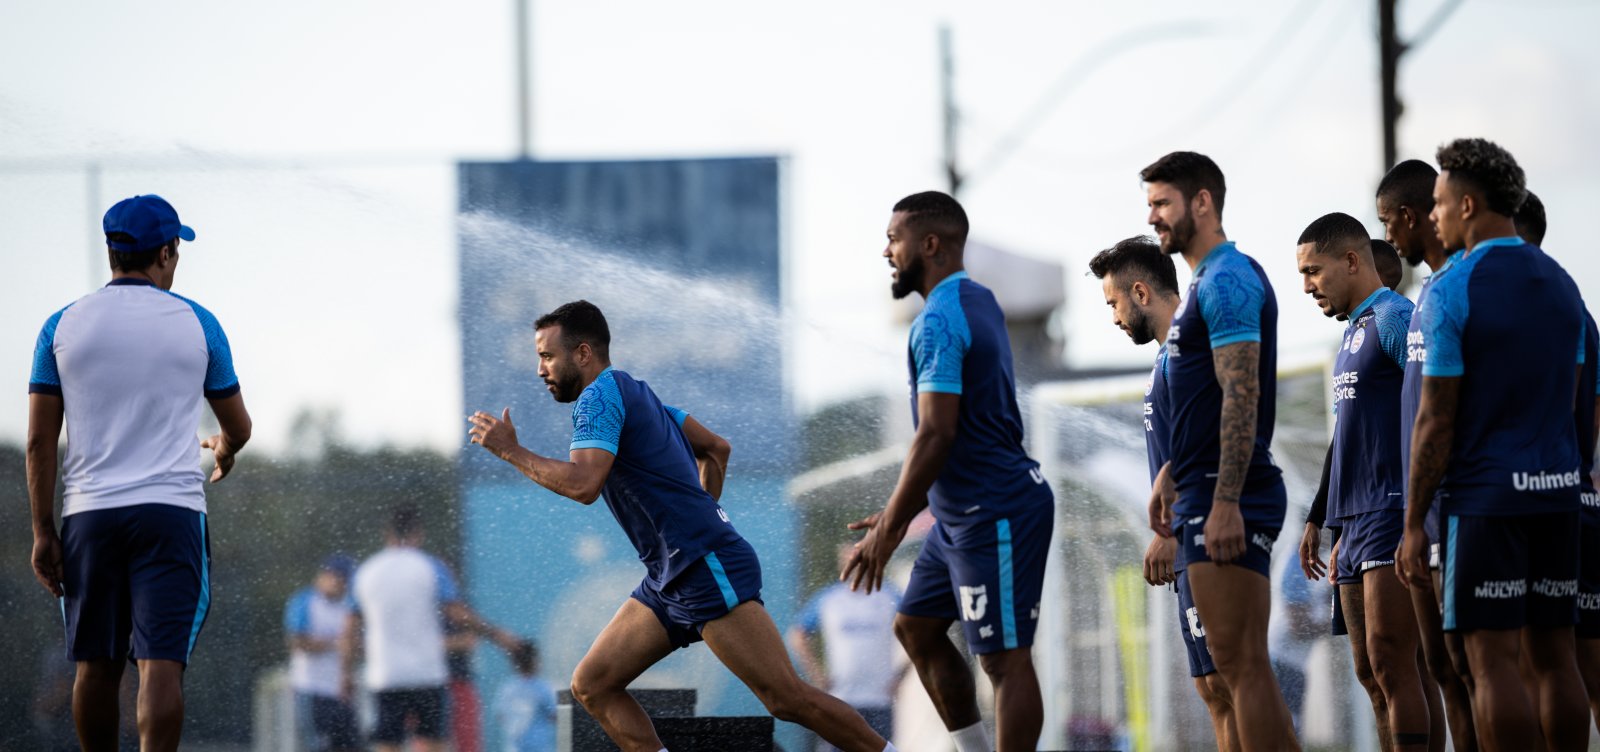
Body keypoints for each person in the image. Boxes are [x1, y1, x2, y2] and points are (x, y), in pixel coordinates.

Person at [467, 300, 893, 752]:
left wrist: (510, 450)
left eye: (548, 356)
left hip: (704, 564)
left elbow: (585, 484)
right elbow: (717, 448)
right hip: (671, 575)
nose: (540, 369)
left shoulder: (597, 398)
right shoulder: (639, 394)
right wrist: (698, 513)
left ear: (584, 354)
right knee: (593, 685)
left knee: (787, 699)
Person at [26, 194, 251, 752]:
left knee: (95, 667)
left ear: (112, 253)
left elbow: (38, 442)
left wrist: (42, 531)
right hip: (171, 515)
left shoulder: (60, 326)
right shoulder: (200, 324)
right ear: (168, 253)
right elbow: (239, 427)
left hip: (88, 517)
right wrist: (221, 452)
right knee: (159, 669)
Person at [841, 191, 1055, 752]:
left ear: (929, 244)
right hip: (958, 516)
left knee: (1005, 661)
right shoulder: (976, 298)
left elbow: (937, 433)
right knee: (915, 628)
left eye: (894, 238)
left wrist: (890, 528)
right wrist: (897, 512)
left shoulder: (938, 319)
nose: (886, 250)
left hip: (998, 508)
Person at [1396, 138, 1589, 750]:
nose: (1434, 216)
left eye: (1441, 203)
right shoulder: (1563, 284)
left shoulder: (1453, 289)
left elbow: (1435, 420)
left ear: (1470, 205)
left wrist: (1411, 523)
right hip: (1560, 495)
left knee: (1490, 663)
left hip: (1486, 503)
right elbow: (1582, 407)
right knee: (1557, 657)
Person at [1139, 151, 1298, 750]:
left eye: (1162, 203)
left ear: (1201, 202)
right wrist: (1174, 471)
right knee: (1233, 672)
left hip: (1229, 493)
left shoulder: (1228, 277)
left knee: (1241, 668)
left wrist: (1226, 498)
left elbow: (1243, 390)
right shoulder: (1205, 281)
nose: (1153, 217)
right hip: (1202, 485)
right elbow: (1209, 399)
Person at [1088, 234, 1240, 750]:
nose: (1113, 317)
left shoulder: (1194, 347)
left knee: (1236, 683)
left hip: (1205, 532)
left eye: (1113, 303)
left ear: (1141, 292)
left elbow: (1219, 432)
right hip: (1187, 539)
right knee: (1212, 686)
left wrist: (1174, 527)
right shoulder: (1166, 358)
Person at [1293, 212, 1435, 750]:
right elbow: (1347, 433)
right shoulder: (1353, 331)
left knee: (1399, 668)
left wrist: (1422, 508)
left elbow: (1432, 406)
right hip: (1349, 521)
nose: (1307, 286)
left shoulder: (1397, 317)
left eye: (1314, 272)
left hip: (1391, 510)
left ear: (1351, 261)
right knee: (1372, 676)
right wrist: (1316, 516)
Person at [1375, 158, 1477, 751]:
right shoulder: (1428, 293)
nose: (1387, 235)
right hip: (1421, 513)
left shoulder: (1463, 285)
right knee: (1441, 670)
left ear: (1413, 217)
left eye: (1389, 223)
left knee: (1475, 666)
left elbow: (1443, 414)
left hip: (1461, 506)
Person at [1515, 191, 1600, 737]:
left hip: (1557, 501)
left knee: (1557, 665)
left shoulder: (1547, 304)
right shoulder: (1567, 303)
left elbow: (1590, 410)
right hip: (1565, 498)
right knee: (1559, 667)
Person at [343, 506, 519, 752]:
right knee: (432, 742)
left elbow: (349, 629)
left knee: (387, 743)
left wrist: (346, 674)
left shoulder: (367, 572)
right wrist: (496, 634)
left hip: (385, 674)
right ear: (418, 534)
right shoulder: (430, 567)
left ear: (387, 534)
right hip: (425, 673)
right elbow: (458, 614)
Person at [788, 544, 905, 750]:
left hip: (879, 698)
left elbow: (921, 630)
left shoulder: (889, 595)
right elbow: (797, 636)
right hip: (840, 699)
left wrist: (902, 675)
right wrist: (817, 674)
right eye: (849, 560)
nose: (854, 565)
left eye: (858, 559)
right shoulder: (829, 598)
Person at [285, 555, 360, 752]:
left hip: (341, 692)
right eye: (340, 579)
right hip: (312, 689)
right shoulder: (304, 601)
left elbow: (356, 644)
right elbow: (297, 642)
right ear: (326, 575)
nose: (343, 586)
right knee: (319, 745)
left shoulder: (349, 605)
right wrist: (337, 643)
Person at [492, 640, 559, 752]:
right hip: (540, 747)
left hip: (513, 747)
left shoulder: (508, 688)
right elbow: (555, 715)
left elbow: (500, 716)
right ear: (536, 661)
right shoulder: (543, 688)